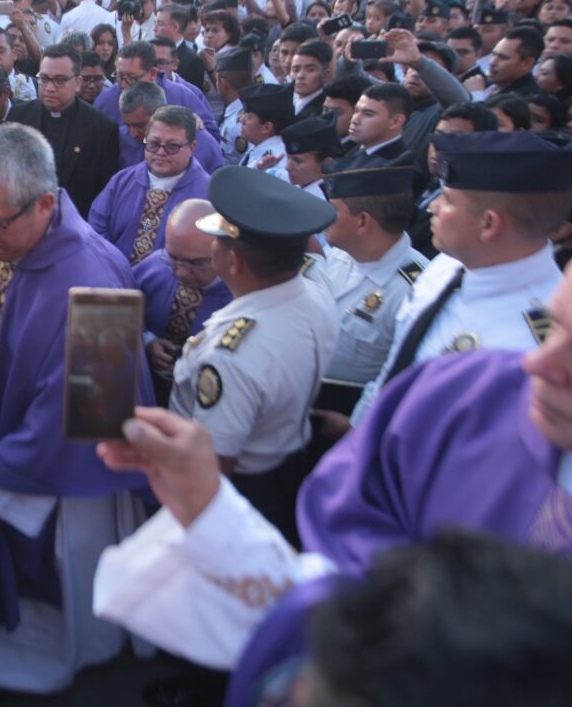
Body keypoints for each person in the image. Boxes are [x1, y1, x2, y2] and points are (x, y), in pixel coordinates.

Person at [90, 260, 572, 678]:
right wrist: (209, 510)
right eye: (559, 327)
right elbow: (346, 582)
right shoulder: (466, 394)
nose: (541, 363)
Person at [0, 122, 153, 694]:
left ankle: (80, 658)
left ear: (45, 203)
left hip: (62, 484)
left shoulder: (98, 286)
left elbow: (94, 419)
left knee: (67, 574)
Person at [349, 131, 571, 425]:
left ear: (488, 223)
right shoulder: (446, 267)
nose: (433, 206)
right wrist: (358, 428)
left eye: (449, 200)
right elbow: (396, 365)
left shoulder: (539, 345)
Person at [168, 165, 338, 542]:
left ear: (234, 262)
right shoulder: (316, 290)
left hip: (242, 495)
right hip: (290, 459)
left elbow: (213, 468)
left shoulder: (231, 353)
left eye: (217, 241)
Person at [303, 165, 427, 390]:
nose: (324, 216)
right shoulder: (342, 254)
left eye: (333, 209)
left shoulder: (415, 290)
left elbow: (409, 380)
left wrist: (355, 422)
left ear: (362, 221)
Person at [132, 198, 233, 401]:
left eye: (196, 263)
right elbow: (119, 312)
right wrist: (146, 341)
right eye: (173, 258)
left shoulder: (238, 294)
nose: (181, 272)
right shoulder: (154, 268)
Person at [90, 104, 212, 265]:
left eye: (172, 146)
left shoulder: (208, 194)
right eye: (154, 144)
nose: (161, 153)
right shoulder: (121, 181)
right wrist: (115, 266)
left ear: (192, 147)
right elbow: (96, 228)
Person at [8, 44, 121, 217]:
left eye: (60, 80)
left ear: (78, 83)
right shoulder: (18, 117)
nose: (50, 88)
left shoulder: (102, 129)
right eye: (44, 79)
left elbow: (104, 194)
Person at [234, 84, 294, 180]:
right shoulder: (258, 146)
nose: (242, 120)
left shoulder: (275, 160)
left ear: (266, 127)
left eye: (248, 117)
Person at [281, 116, 344, 201]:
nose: (288, 167)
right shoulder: (297, 189)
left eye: (298, 161)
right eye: (288, 158)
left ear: (326, 164)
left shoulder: (324, 202)